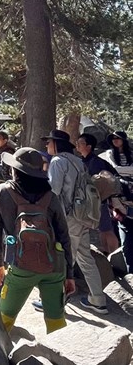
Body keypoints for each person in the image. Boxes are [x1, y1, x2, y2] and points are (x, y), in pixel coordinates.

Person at [0, 147, 74, 334]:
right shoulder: (51, 196)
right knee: (56, 320)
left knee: (4, 318)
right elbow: (63, 235)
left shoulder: (1, 192)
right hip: (53, 267)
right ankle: (60, 356)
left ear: (16, 170)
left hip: (20, 266)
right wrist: (70, 274)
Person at [43, 129, 108, 314]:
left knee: (63, 259)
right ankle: (97, 299)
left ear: (56, 144)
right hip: (82, 216)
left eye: (49, 142)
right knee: (85, 257)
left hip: (67, 218)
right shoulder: (78, 161)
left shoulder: (57, 161)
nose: (46, 145)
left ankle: (55, 302)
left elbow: (54, 192)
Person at [76, 133, 119, 254]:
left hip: (103, 201)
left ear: (89, 146)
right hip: (95, 201)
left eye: (80, 143)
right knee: (102, 229)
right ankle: (107, 253)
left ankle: (114, 254)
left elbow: (98, 183)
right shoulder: (84, 160)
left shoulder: (96, 162)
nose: (77, 145)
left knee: (107, 230)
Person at [100, 131, 133, 274]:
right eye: (113, 138)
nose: (115, 141)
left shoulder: (131, 153)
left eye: (118, 138)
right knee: (122, 227)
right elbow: (113, 170)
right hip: (118, 197)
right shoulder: (109, 154)